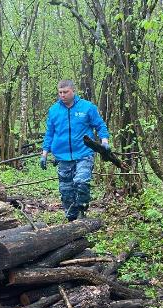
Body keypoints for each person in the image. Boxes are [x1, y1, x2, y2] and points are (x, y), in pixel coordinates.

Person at [40, 80, 110, 221]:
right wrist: (44, 153)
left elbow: (100, 125)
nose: (62, 95)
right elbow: (50, 133)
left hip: (84, 153)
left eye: (65, 92)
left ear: (73, 91)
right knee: (66, 192)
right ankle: (72, 221)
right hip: (62, 156)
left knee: (81, 182)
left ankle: (82, 210)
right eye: (60, 92)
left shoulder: (87, 107)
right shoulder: (54, 110)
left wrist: (104, 141)